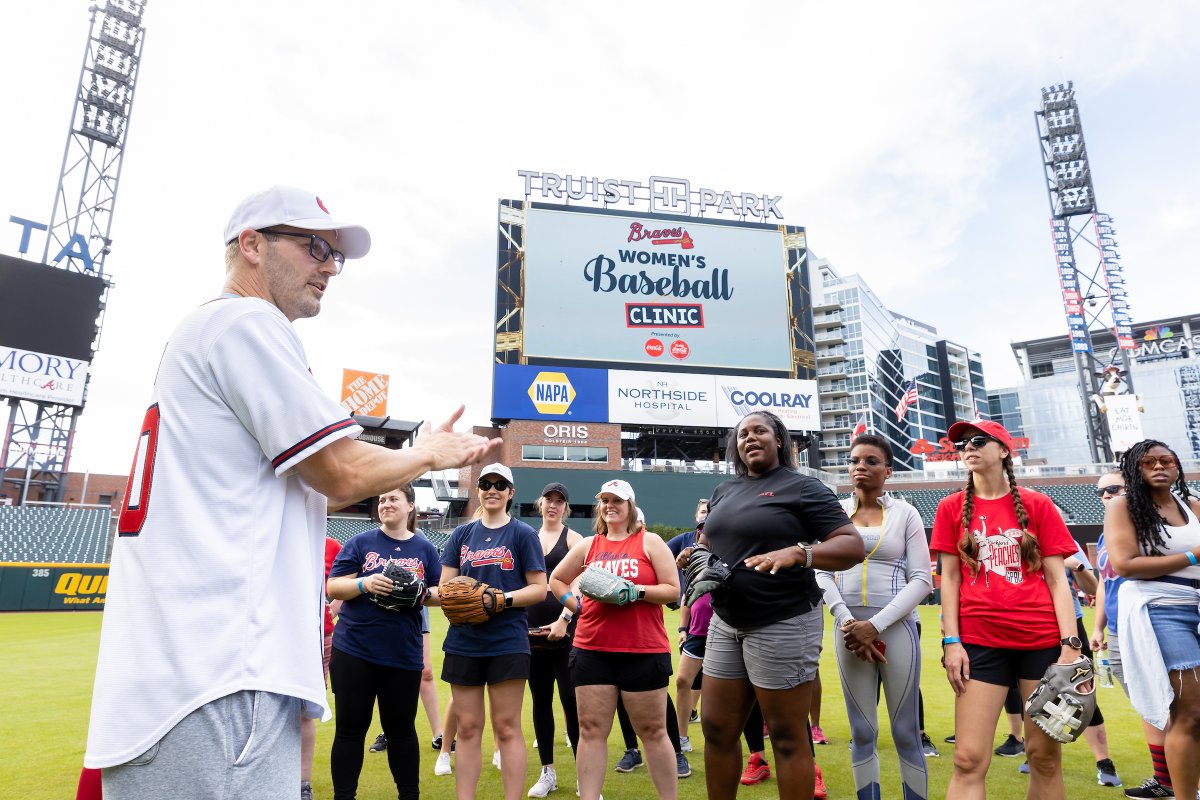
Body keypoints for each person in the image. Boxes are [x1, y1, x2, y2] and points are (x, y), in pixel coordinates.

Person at [83, 185, 500, 799]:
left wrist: (406, 463)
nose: (330, 266)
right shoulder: (246, 321)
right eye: (313, 247)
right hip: (219, 674)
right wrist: (425, 454)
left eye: (334, 254)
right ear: (251, 245)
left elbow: (309, 492)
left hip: (193, 671)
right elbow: (339, 473)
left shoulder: (208, 331)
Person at [697, 410, 864, 800]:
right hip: (726, 621)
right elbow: (711, 543)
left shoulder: (802, 487)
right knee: (717, 730)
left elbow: (851, 544)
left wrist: (799, 553)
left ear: (780, 442)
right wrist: (697, 554)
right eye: (742, 434)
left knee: (787, 737)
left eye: (760, 431)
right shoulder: (724, 490)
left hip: (782, 621)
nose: (750, 438)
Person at [930, 419, 1082, 800]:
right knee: (967, 758)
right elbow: (949, 580)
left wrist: (1070, 645)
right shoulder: (950, 508)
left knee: (1044, 757)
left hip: (1042, 643)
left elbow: (1057, 580)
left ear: (1003, 450)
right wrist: (952, 641)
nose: (968, 446)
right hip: (979, 644)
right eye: (963, 442)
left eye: (979, 440)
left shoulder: (1038, 504)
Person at [548, 479, 681, 800]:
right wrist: (575, 605)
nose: (610, 505)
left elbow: (673, 590)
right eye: (605, 500)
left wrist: (636, 591)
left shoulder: (650, 542)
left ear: (630, 506)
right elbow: (557, 580)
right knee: (592, 730)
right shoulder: (589, 545)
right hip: (592, 649)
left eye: (617, 500)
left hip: (643, 650)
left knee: (652, 731)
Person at [816, 434, 931, 799]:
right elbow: (820, 571)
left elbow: (923, 580)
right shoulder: (833, 512)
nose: (860, 467)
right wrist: (848, 621)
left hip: (895, 629)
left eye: (870, 461)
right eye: (853, 461)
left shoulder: (906, 513)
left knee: (905, 732)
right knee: (862, 731)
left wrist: (874, 626)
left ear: (888, 470)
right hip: (847, 629)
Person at [326, 485, 442, 800]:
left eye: (393, 499)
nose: (385, 503)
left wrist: (420, 593)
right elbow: (334, 586)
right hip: (355, 651)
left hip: (402, 654)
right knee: (350, 731)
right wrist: (365, 583)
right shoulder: (360, 542)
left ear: (410, 506)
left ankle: (409, 795)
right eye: (382, 499)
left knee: (401, 731)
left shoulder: (425, 549)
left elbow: (439, 593)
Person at [439, 463, 547, 800]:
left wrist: (498, 599)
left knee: (507, 727)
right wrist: (457, 597)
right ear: (479, 489)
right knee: (469, 728)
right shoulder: (461, 535)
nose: (492, 490)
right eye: (486, 483)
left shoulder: (522, 534)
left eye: (500, 485)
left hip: (507, 640)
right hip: (464, 640)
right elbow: (445, 587)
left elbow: (539, 589)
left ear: (511, 493)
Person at [1106, 439, 1200, 798]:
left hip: (1197, 606)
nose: (1159, 467)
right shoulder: (1122, 505)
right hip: (1159, 608)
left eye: (1166, 461)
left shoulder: (1191, 506)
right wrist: (1192, 557)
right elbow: (1125, 564)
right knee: (1189, 711)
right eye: (1149, 462)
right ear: (1134, 469)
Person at [1090, 471, 1175, 798]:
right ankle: (1165, 779)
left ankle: (1182, 777)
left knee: (1173, 706)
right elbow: (1103, 582)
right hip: (1117, 630)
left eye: (1114, 488)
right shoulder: (1105, 534)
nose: (1107, 495)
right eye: (1101, 492)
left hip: (1149, 624)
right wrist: (1098, 626)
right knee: (1146, 704)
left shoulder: (1151, 527)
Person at [526, 482, 584, 798]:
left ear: (565, 507)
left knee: (571, 702)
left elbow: (577, 586)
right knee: (540, 701)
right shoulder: (528, 539)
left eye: (559, 501)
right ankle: (547, 772)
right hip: (532, 632)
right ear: (541, 503)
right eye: (548, 499)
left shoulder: (573, 540)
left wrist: (563, 619)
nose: (553, 505)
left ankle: (582, 776)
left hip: (565, 632)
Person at [301, 534, 343, 799]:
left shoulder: (332, 546)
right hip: (274, 636)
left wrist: (332, 610)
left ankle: (302, 782)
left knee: (305, 711)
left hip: (318, 637)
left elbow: (346, 583)